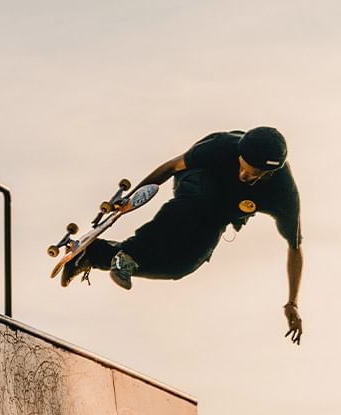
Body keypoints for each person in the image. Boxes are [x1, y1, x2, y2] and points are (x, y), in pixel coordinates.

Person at [62, 127, 304, 344]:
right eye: (241, 166)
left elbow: (294, 248)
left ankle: (93, 255)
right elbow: (170, 167)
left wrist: (292, 302)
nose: (243, 175)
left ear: (269, 174)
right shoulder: (221, 147)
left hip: (222, 213)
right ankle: (130, 254)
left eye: (252, 174)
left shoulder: (283, 195)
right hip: (197, 180)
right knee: (202, 201)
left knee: (182, 265)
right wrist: (131, 201)